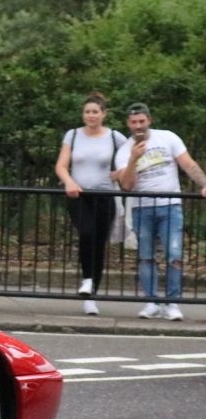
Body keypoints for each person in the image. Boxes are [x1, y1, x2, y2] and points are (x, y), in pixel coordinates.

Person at [114, 102, 206, 320]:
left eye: (142, 122)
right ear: (128, 124)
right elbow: (127, 185)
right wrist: (134, 159)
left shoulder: (168, 138)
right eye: (134, 122)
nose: (138, 126)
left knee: (174, 254)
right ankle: (151, 301)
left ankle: (172, 302)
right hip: (142, 208)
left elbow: (188, 165)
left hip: (170, 205)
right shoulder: (124, 150)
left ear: (149, 121)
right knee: (146, 256)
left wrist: (204, 183)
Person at [55, 93, 126, 315]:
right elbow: (61, 165)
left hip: (105, 197)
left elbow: (130, 159)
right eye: (87, 112)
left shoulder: (115, 137)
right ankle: (86, 279)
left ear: (103, 114)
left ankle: (91, 293)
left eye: (95, 112)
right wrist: (69, 182)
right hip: (79, 196)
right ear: (83, 114)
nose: (91, 115)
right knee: (86, 233)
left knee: (98, 244)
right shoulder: (73, 135)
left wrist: (116, 175)